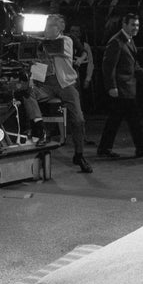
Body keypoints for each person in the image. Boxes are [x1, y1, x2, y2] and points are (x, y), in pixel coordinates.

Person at [22, 15, 93, 173]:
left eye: (49, 26)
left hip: (66, 85)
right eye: (45, 26)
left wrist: (30, 39)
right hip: (46, 84)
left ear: (59, 28)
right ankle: (38, 125)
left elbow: (53, 48)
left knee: (78, 119)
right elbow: (34, 62)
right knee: (26, 91)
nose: (46, 29)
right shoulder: (41, 43)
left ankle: (79, 154)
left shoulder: (65, 40)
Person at [96, 13, 143, 158]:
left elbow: (133, 64)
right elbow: (108, 67)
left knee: (119, 119)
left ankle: (105, 148)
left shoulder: (128, 40)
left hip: (127, 87)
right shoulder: (117, 42)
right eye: (133, 25)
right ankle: (140, 148)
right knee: (130, 119)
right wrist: (111, 86)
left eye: (137, 25)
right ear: (124, 25)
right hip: (122, 88)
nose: (136, 28)